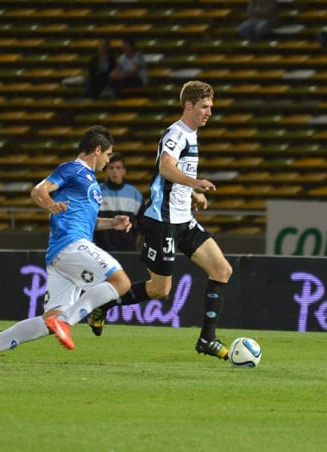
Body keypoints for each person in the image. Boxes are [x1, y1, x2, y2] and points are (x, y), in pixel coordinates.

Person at [88, 80, 234, 361]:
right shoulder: (176, 134)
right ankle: (104, 303)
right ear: (188, 105)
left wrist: (191, 193)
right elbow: (166, 168)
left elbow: (172, 175)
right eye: (205, 107)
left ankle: (207, 339)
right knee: (160, 290)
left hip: (184, 219)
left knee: (222, 270)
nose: (209, 113)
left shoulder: (191, 134)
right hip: (162, 220)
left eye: (211, 107)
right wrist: (195, 182)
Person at [0, 125, 134, 370]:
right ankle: (67, 322)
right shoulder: (72, 169)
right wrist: (50, 204)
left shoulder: (90, 181)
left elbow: (84, 221)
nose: (108, 161)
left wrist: (112, 222)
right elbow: (39, 191)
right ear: (97, 149)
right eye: (108, 155)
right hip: (70, 245)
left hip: (62, 254)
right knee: (121, 282)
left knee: (50, 320)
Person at [93, 152, 144, 251]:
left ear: (124, 171)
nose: (115, 171)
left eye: (118, 168)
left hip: (128, 250)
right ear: (106, 170)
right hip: (101, 250)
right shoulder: (96, 192)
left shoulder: (134, 194)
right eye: (111, 168)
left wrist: (134, 239)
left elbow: (142, 222)